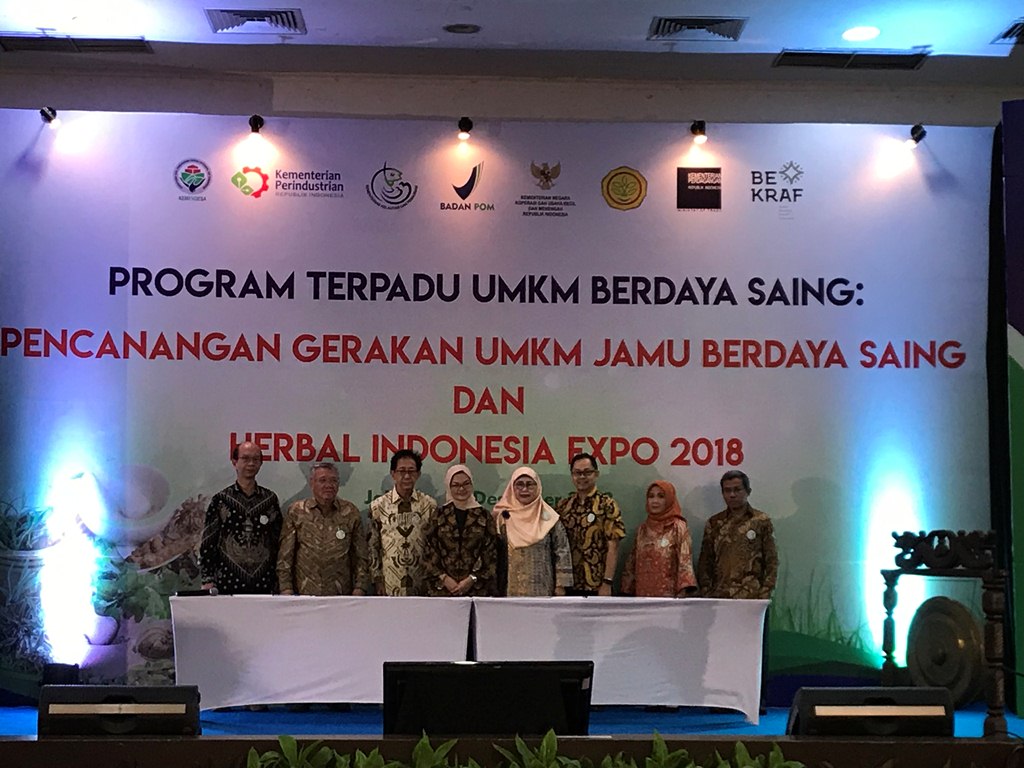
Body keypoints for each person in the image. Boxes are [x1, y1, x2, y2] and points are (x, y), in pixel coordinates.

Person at [199, 441, 282, 594]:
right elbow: (209, 542)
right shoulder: (221, 500)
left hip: (265, 583)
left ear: (261, 463)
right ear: (234, 462)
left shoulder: (269, 499)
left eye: (256, 459)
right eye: (245, 458)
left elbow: (278, 541)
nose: (251, 463)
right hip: (227, 582)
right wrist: (207, 578)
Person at [277, 461, 369, 595]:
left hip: (340, 596)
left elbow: (361, 556)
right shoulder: (297, 511)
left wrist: (360, 588)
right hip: (304, 595)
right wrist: (285, 589)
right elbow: (285, 556)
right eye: (322, 480)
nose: (328, 485)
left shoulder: (350, 512)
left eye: (333, 480)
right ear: (312, 483)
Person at [696, 470, 778, 599]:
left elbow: (771, 560)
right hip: (720, 596)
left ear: (748, 491)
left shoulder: (761, 521)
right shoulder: (714, 523)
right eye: (727, 491)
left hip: (752, 595)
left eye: (737, 490)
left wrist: (766, 590)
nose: (732, 495)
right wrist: (706, 590)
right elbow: (705, 561)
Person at [493, 466, 573, 597]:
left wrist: (561, 586)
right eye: (519, 485)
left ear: (538, 487)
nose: (525, 489)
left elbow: (562, 551)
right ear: (512, 488)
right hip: (509, 590)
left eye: (530, 485)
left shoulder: (549, 518)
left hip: (543, 589)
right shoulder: (502, 518)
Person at [555, 452, 626, 595]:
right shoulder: (564, 506)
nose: (582, 477)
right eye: (577, 473)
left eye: (587, 472)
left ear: (596, 474)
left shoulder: (607, 504)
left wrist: (607, 582)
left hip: (597, 586)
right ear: (572, 475)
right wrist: (559, 583)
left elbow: (614, 546)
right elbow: (557, 547)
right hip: (569, 586)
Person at [422, 464, 498, 596]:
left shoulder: (484, 516)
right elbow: (428, 551)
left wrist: (471, 579)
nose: (461, 489)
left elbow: (491, 554)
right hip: (442, 591)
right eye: (456, 485)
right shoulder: (439, 515)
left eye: (466, 484)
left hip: (477, 590)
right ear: (448, 486)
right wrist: (444, 578)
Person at [369, 449, 437, 595]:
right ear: (393, 474)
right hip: (389, 583)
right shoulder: (378, 506)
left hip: (422, 581)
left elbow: (435, 545)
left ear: (418, 474)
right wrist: (377, 579)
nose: (407, 476)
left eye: (411, 471)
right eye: (401, 471)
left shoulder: (429, 505)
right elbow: (373, 547)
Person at [620, 480, 698, 597]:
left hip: (669, 599)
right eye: (651, 496)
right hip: (642, 597)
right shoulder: (642, 529)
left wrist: (682, 594)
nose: (655, 501)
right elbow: (632, 564)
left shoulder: (677, 526)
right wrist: (626, 591)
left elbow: (685, 562)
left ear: (669, 499)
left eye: (661, 496)